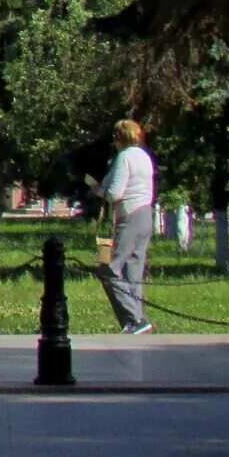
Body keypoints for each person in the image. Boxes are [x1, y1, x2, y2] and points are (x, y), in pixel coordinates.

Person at [94, 120, 157, 336]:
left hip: (128, 215)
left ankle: (134, 319)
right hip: (146, 215)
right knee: (133, 270)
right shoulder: (144, 157)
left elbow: (114, 193)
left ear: (120, 138)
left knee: (109, 268)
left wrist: (98, 190)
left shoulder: (125, 157)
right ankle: (138, 320)